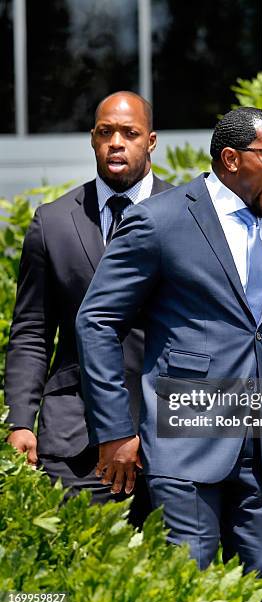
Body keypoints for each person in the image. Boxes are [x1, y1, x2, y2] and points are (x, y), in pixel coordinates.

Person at [76, 106, 262, 602]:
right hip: (185, 444)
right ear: (231, 159)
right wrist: (116, 430)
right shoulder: (158, 220)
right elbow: (97, 321)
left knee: (259, 592)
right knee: (187, 592)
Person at [5, 91, 172, 524]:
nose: (117, 142)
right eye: (106, 132)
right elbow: (32, 331)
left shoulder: (188, 215)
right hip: (76, 435)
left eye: (129, 133)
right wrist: (20, 419)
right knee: (80, 576)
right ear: (93, 139)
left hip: (167, 430)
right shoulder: (54, 222)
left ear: (150, 141)